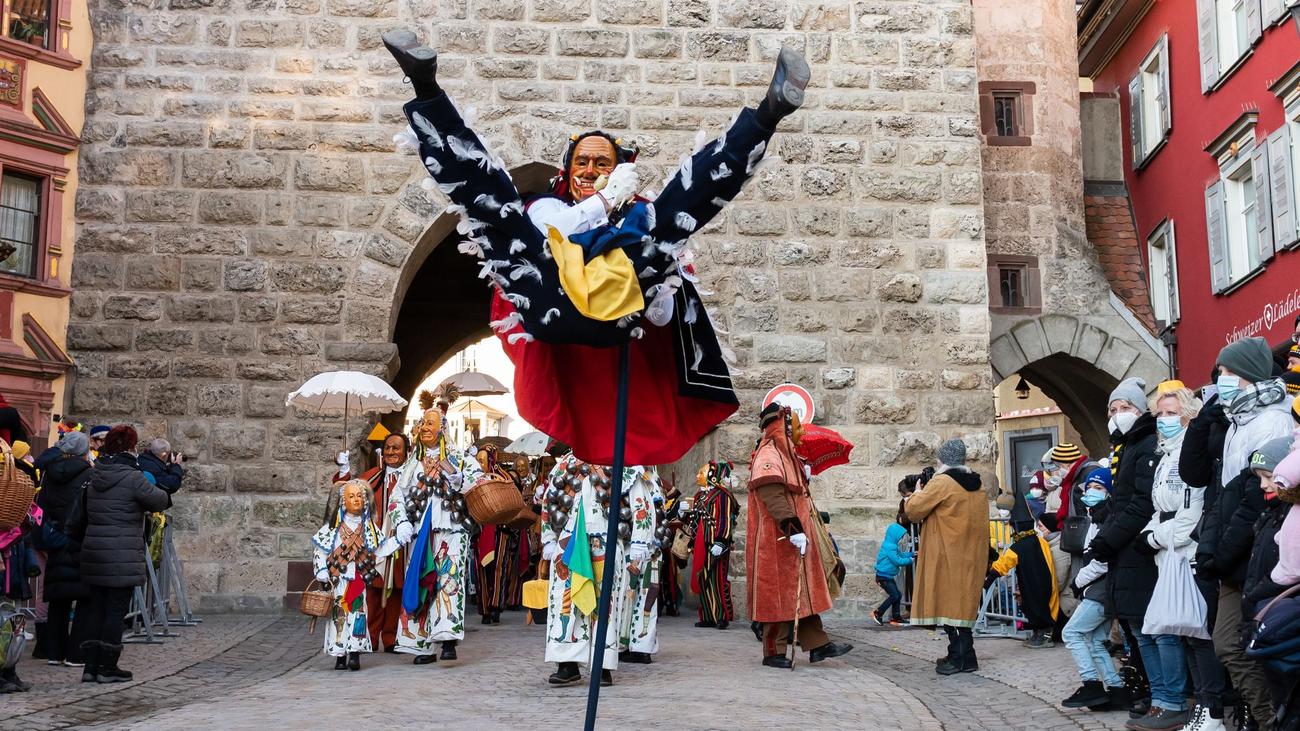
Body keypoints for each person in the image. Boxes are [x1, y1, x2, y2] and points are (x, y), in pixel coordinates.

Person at [382, 29, 810, 467]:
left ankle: (766, 116)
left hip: (616, 309)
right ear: (568, 172)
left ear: (620, 169)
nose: (590, 170)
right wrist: (605, 202)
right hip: (550, 300)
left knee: (677, 212)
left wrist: (661, 274)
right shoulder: (547, 206)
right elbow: (558, 232)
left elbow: (663, 315)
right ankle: (426, 88)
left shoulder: (640, 216)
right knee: (494, 208)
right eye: (581, 162)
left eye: (602, 163)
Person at [1211, 337, 1293, 727]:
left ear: (1247, 374)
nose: (1220, 380)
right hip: (1238, 546)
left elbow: (1257, 495)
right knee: (1231, 643)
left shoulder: (1272, 419)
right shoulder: (1237, 417)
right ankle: (1265, 718)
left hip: (1253, 548)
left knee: (1239, 643)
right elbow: (1223, 489)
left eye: (1227, 372)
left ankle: (1269, 719)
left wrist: (1223, 549)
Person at [1139, 383, 1227, 731]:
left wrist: (1156, 538)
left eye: (1172, 413)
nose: (1164, 420)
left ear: (1189, 416)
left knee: (1200, 634)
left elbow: (1190, 514)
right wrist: (1150, 534)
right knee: (1182, 632)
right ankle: (1202, 707)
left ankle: (1212, 709)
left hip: (1187, 553)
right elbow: (1160, 507)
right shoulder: (1164, 456)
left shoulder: (1189, 456)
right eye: (1160, 414)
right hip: (1168, 555)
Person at [1080, 377, 1163, 726]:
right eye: (1113, 409)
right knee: (1134, 631)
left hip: (1135, 551)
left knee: (1146, 632)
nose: (1117, 414)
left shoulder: (1143, 445)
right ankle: (1149, 693)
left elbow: (1139, 504)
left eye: (1124, 408)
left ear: (1140, 410)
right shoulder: (1125, 446)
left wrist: (1108, 538)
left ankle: (1161, 697)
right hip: (1123, 553)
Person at [746, 404, 852, 669]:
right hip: (777, 539)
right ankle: (773, 652)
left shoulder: (789, 455)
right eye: (791, 426)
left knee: (800, 591)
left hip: (793, 539)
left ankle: (818, 645)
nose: (796, 431)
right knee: (777, 596)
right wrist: (793, 529)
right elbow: (772, 495)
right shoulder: (768, 455)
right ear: (779, 426)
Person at [387, 407, 480, 664]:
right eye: (422, 422)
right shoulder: (412, 463)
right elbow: (397, 497)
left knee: (448, 580)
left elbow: (479, 483)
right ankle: (421, 645)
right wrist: (402, 521)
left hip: (452, 528)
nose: (425, 427)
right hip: (421, 531)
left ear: (442, 428)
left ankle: (447, 639)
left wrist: (460, 480)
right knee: (421, 580)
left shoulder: (458, 457)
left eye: (430, 423)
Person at [77, 425, 170, 683]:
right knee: (115, 611)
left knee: (96, 608)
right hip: (121, 554)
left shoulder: (95, 475)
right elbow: (160, 500)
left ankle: (90, 667)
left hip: (94, 549)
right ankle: (107, 667)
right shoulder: (132, 477)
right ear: (131, 447)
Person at [538, 455, 638, 686]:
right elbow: (548, 501)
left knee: (605, 602)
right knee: (566, 600)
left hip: (606, 537)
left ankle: (602, 664)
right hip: (570, 540)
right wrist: (549, 539)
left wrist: (638, 543)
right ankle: (567, 663)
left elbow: (636, 501)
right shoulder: (565, 464)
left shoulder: (622, 461)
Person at [904, 438, 988, 675]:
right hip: (970, 552)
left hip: (947, 552)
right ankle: (956, 652)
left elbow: (914, 510)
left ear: (942, 460)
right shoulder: (977, 483)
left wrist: (917, 492)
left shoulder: (943, 482)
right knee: (961, 603)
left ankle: (963, 657)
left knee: (949, 602)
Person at [1062, 469, 1133, 711]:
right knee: (1095, 640)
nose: (1092, 492)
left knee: (1071, 633)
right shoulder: (1096, 517)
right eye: (1090, 487)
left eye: (1099, 488)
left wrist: (1078, 581)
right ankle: (1116, 688)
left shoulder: (1107, 517)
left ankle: (1091, 684)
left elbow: (1100, 561)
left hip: (1101, 588)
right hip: (1099, 587)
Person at [312, 479, 400, 671]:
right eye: (351, 496)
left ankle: (355, 653)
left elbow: (381, 548)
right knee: (339, 614)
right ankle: (340, 655)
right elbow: (320, 551)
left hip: (358, 579)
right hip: (338, 580)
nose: (356, 499)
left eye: (359, 496)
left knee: (359, 614)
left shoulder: (369, 527)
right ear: (343, 501)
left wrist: (399, 539)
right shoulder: (333, 527)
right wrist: (321, 570)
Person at [336, 432, 411, 652]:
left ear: (406, 452)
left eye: (396, 448)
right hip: (374, 543)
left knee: (397, 590)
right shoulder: (370, 478)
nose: (391, 452)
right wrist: (343, 470)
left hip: (403, 543)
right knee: (374, 590)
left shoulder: (413, 477)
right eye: (388, 447)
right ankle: (368, 638)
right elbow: (347, 492)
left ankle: (392, 639)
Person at [1240, 438, 1297, 713]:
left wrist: (1257, 594)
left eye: (1269, 477)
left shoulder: (1289, 513)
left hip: (1281, 601)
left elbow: (1288, 568)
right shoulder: (1272, 513)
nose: (1263, 485)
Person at [34, 431, 93, 667]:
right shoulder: (88, 473)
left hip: (55, 537)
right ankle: (75, 654)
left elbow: (43, 505)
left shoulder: (50, 473)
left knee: (58, 597)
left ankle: (54, 652)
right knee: (82, 596)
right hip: (78, 538)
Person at [989, 483, 1060, 649]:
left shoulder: (1019, 546)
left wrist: (991, 575)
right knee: (1038, 605)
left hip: (1033, 583)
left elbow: (1004, 562)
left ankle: (1044, 636)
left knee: (1035, 606)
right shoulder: (1040, 540)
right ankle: (1039, 632)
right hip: (1043, 582)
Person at [617, 466, 664, 664]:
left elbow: (645, 508)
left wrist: (641, 542)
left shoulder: (644, 475)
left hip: (644, 548)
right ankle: (631, 645)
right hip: (641, 546)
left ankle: (634, 645)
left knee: (640, 598)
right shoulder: (642, 475)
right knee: (635, 598)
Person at [689, 460, 739, 630]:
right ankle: (707, 616)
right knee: (703, 578)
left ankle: (722, 616)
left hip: (716, 542)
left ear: (711, 475)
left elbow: (724, 519)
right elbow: (695, 520)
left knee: (717, 579)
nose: (698, 475)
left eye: (701, 473)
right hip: (701, 543)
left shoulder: (722, 495)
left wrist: (721, 540)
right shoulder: (699, 495)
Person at [872, 500, 913, 626]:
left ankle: (896, 617)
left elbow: (900, 555)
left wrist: (911, 554)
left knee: (897, 595)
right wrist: (910, 560)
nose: (901, 539)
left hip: (887, 576)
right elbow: (897, 560)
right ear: (895, 536)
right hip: (883, 577)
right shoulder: (889, 546)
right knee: (895, 595)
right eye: (900, 537)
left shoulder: (892, 546)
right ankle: (878, 613)